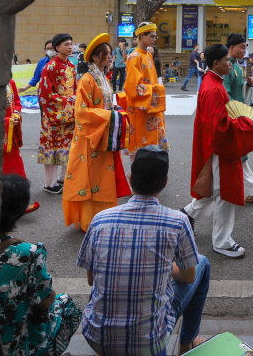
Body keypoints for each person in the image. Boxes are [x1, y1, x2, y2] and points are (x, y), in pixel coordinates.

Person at [78, 148, 210, 356]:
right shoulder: (177, 221)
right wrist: (165, 267)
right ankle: (186, 343)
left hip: (96, 338)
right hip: (149, 342)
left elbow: (92, 279)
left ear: (131, 178)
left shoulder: (101, 219)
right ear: (165, 181)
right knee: (202, 263)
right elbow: (188, 275)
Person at [182, 44, 253, 257]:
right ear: (216, 63)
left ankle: (186, 214)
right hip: (220, 149)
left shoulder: (211, 82)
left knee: (214, 190)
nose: (229, 62)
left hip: (213, 147)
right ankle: (222, 241)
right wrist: (245, 123)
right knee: (224, 193)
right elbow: (220, 127)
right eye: (226, 60)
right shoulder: (214, 88)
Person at [0, 175, 81, 356]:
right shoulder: (27, 253)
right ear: (20, 210)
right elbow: (45, 299)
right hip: (13, 343)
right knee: (66, 304)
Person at [63, 34, 133, 232]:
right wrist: (109, 116)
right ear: (95, 57)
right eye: (107, 54)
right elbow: (81, 112)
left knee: (103, 178)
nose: (111, 57)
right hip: (90, 137)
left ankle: (105, 217)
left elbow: (105, 104)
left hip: (102, 134)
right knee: (91, 178)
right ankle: (89, 221)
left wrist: (115, 111)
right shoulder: (87, 79)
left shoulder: (102, 76)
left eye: (111, 53)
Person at [219, 33, 253, 204]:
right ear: (231, 48)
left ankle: (249, 191)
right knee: (237, 156)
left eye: (245, 47)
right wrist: (239, 112)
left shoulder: (236, 68)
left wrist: (246, 85)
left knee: (240, 156)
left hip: (237, 115)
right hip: (233, 117)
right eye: (242, 47)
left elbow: (237, 90)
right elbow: (226, 95)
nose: (244, 51)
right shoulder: (226, 68)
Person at [120, 22, 169, 173]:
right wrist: (157, 91)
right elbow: (132, 86)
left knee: (150, 145)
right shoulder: (134, 56)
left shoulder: (147, 55)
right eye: (152, 36)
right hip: (140, 108)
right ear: (142, 36)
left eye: (155, 36)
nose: (154, 39)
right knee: (140, 148)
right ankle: (136, 180)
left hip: (151, 106)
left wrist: (155, 93)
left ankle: (144, 178)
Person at [38, 33, 77, 194]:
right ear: (57, 48)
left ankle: (63, 177)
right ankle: (50, 183)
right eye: (66, 44)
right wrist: (69, 103)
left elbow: (75, 89)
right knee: (53, 147)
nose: (70, 47)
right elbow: (45, 93)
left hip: (68, 114)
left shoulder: (71, 67)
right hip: (54, 115)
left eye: (71, 44)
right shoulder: (50, 67)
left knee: (68, 146)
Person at [3, 78, 40, 214]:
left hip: (11, 132)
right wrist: (8, 121)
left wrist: (16, 114)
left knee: (17, 167)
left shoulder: (10, 82)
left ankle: (20, 202)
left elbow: (17, 102)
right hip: (0, 134)